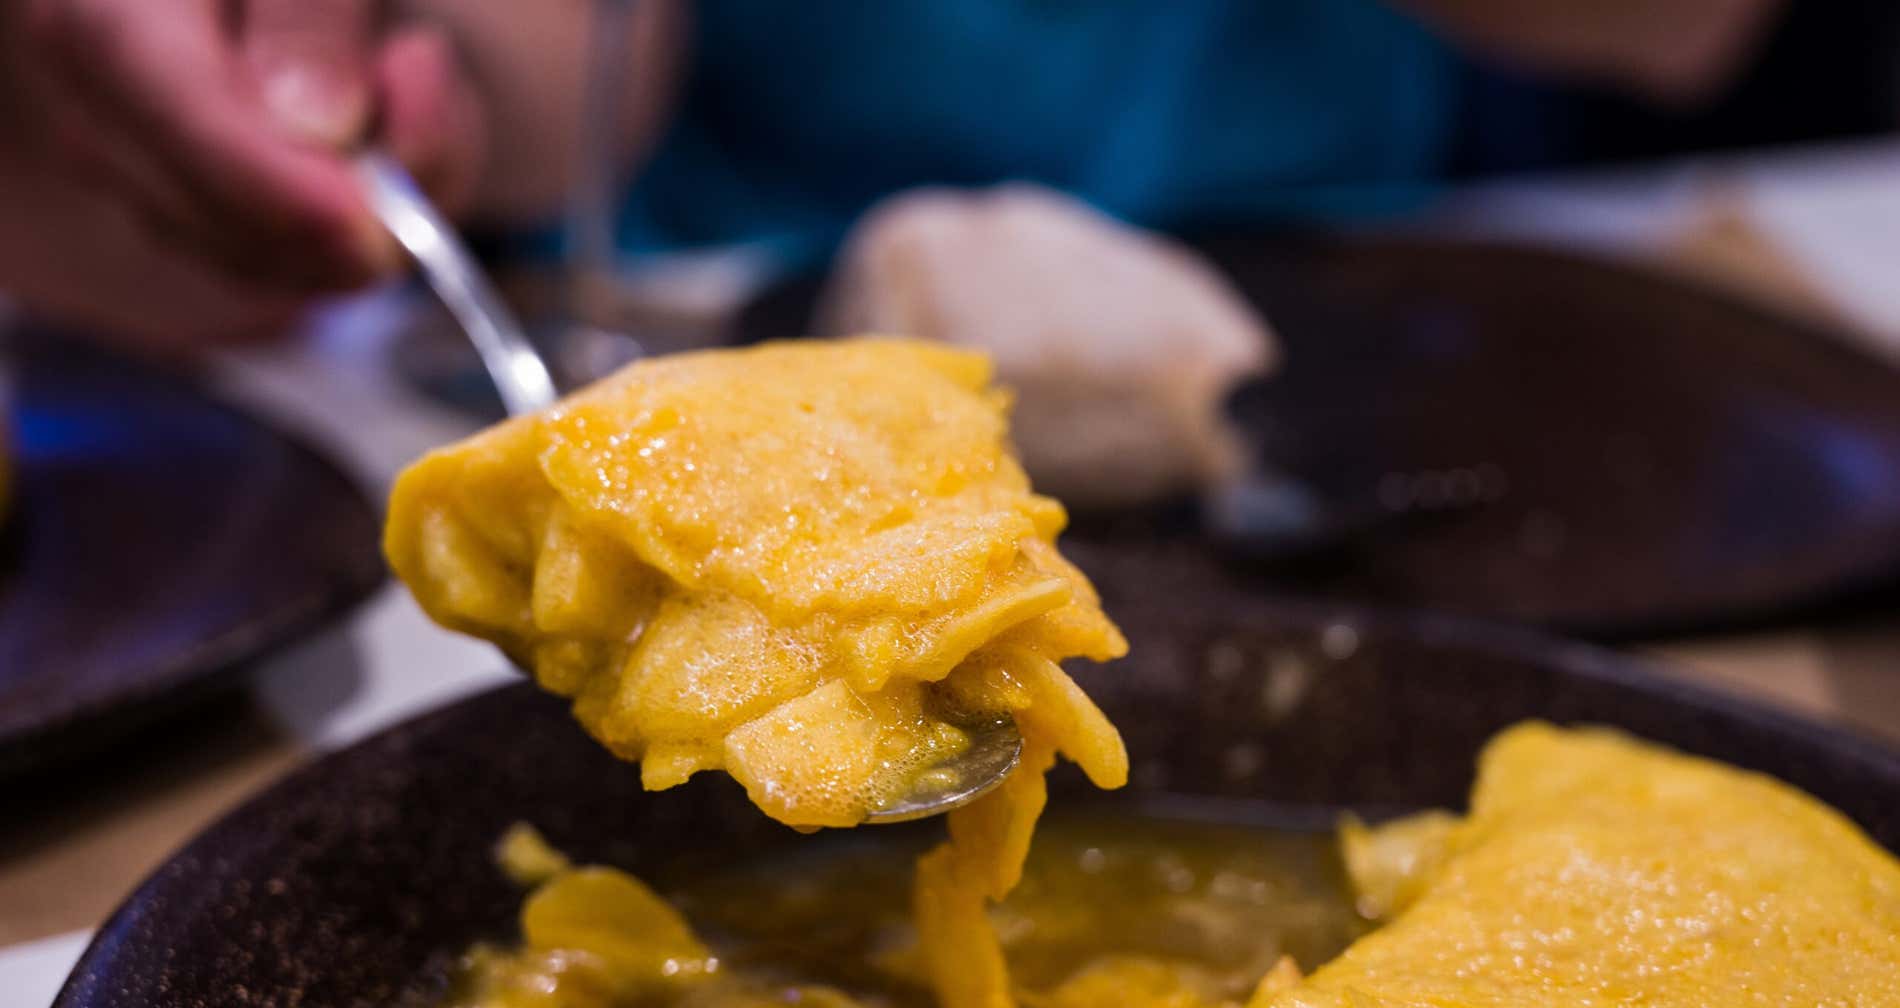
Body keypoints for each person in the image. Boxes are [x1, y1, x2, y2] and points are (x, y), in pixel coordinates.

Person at [0, 0, 1796, 352]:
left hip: (1361, 323)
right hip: (712, 318)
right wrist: (372, 81)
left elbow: (1677, 27)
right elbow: (537, 88)